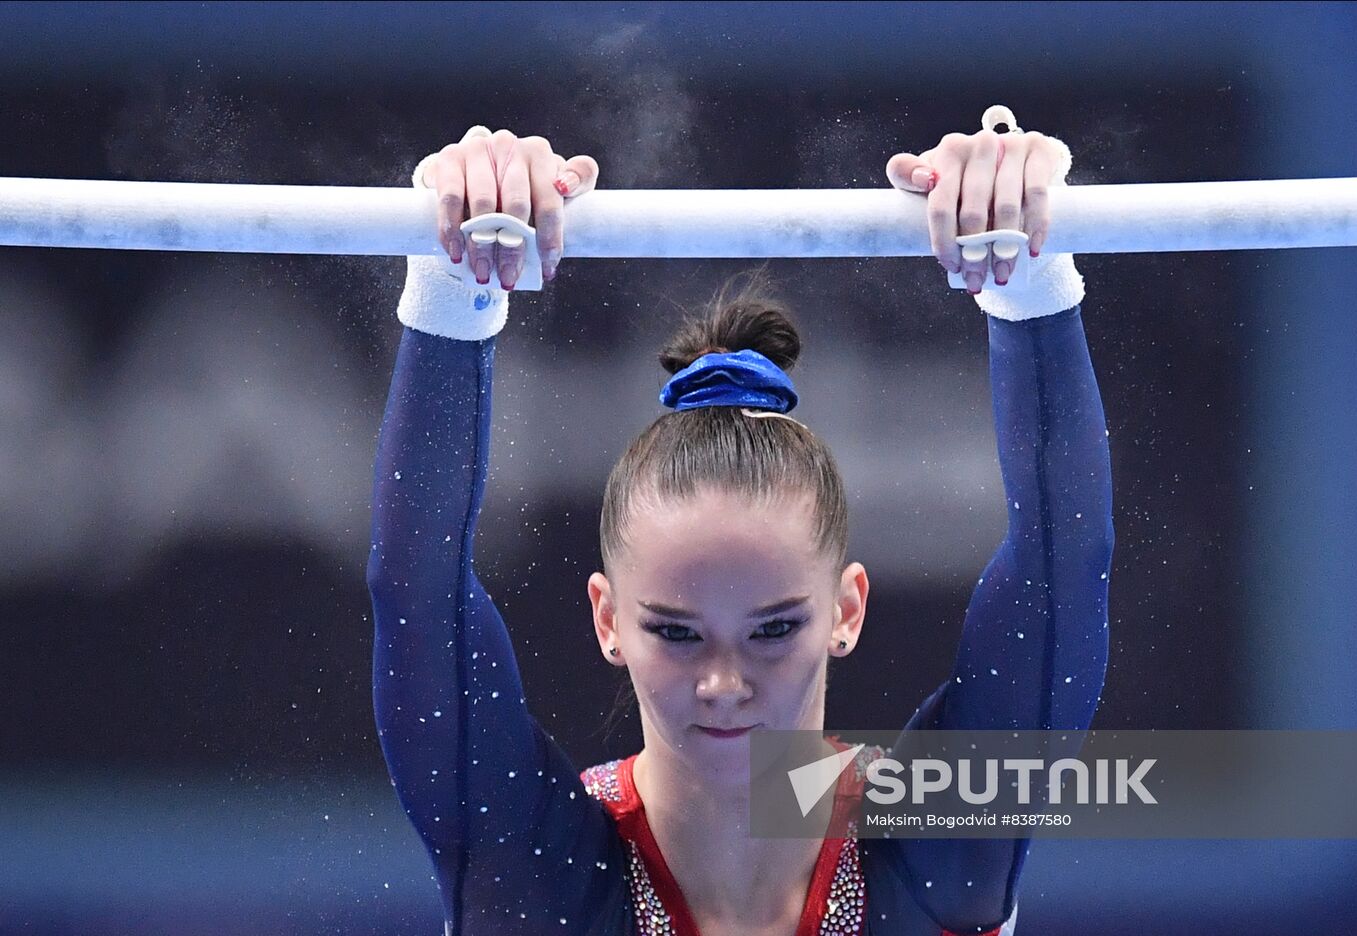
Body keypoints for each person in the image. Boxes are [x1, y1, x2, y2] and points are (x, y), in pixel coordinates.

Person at [366, 110, 1114, 936]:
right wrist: (453, 277)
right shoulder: (541, 879)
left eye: (773, 629)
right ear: (608, 619)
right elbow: (415, 590)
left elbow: (1063, 565)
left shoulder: (930, 852)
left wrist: (1026, 258)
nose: (725, 685)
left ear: (846, 610)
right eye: (679, 634)